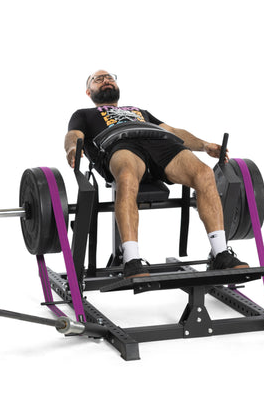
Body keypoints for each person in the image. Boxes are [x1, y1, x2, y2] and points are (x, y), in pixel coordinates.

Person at [65, 70, 248, 278]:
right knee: (126, 177)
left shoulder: (140, 111)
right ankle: (132, 260)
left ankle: (220, 254)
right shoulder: (83, 114)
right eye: (98, 79)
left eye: (110, 77)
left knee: (204, 173)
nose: (106, 80)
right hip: (119, 143)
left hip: (160, 143)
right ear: (89, 92)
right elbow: (74, 135)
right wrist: (72, 149)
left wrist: (204, 145)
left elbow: (172, 130)